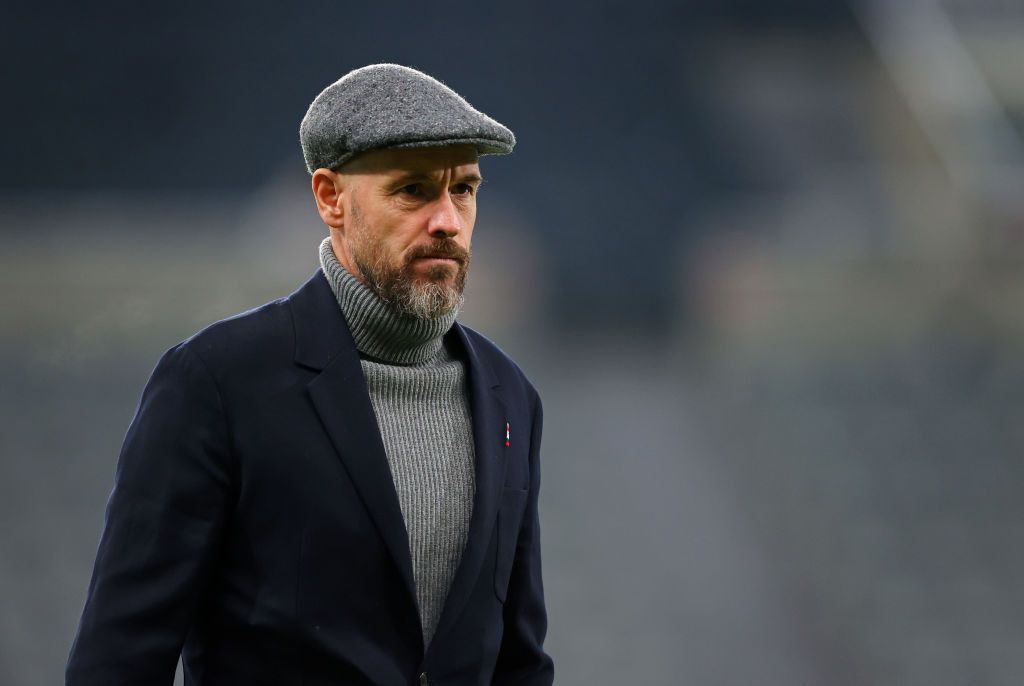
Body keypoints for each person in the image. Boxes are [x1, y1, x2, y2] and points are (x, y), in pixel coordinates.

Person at [66, 63, 554, 686]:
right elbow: (120, 660)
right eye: (413, 191)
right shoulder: (216, 382)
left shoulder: (510, 396)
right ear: (330, 198)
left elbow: (520, 663)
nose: (448, 222)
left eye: (464, 190)